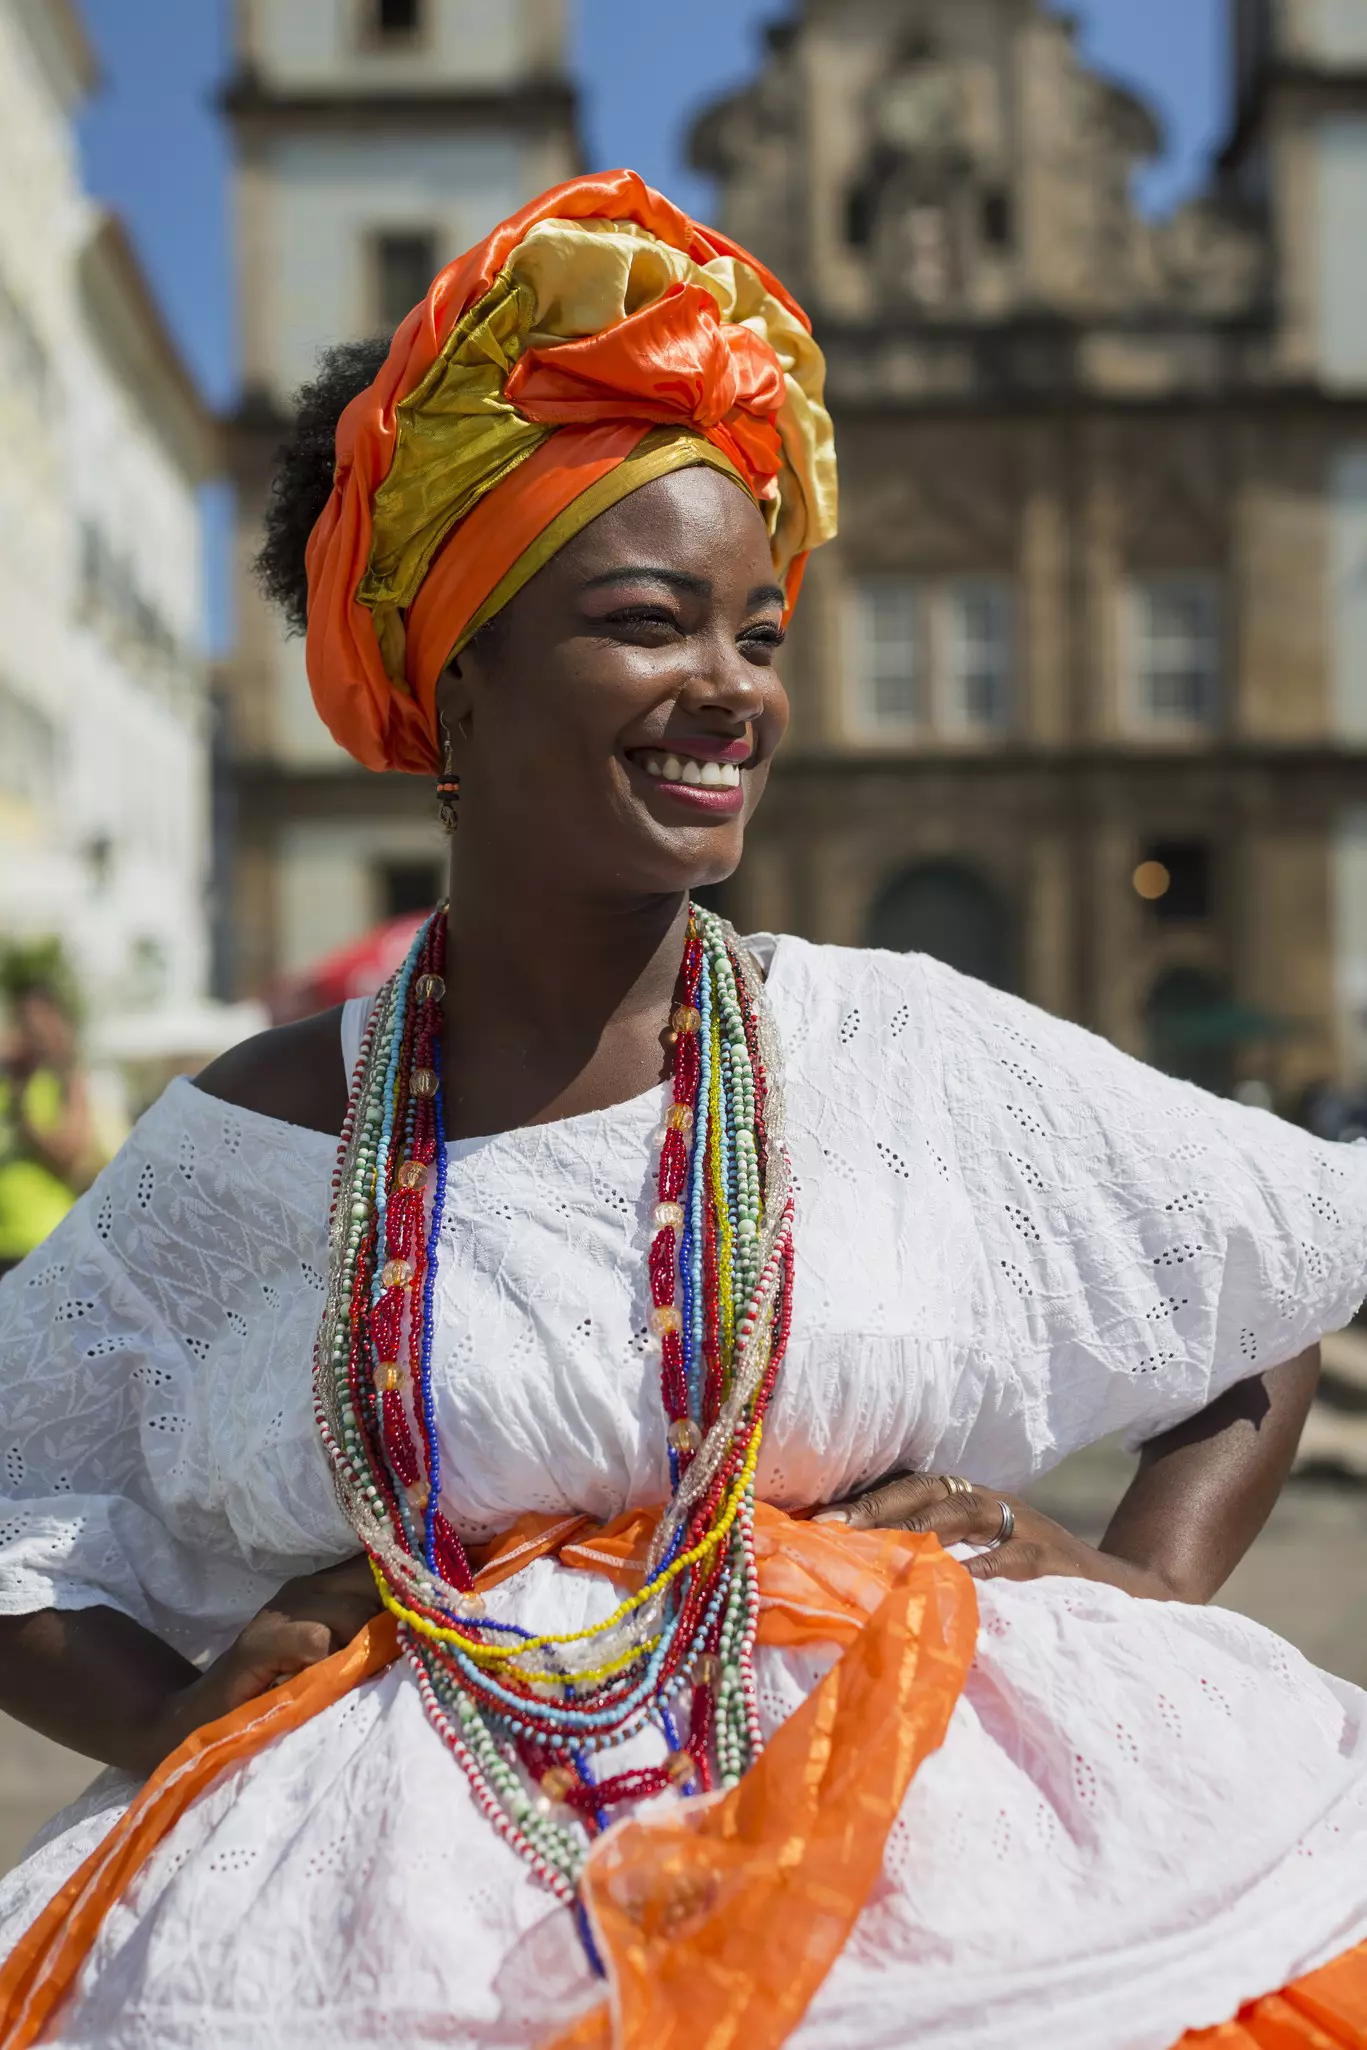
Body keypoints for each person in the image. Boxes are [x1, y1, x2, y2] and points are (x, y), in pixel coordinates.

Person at [0, 170, 1365, 2050]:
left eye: (761, 633)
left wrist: (1132, 1586)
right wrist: (176, 1716)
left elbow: (1272, 1275)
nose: (731, 692)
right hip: (375, 1951)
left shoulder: (896, 1051)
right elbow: (16, 1504)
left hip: (954, 1923)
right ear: (452, 683)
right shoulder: (266, 1138)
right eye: (654, 623)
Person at [0, 962, 99, 1279]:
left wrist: (23, 1118)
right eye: (23, 1021)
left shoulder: (66, 1081)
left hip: (46, 1241)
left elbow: (70, 1157)